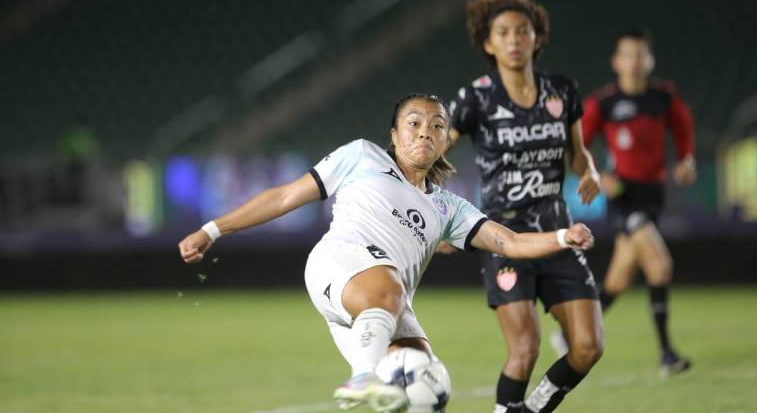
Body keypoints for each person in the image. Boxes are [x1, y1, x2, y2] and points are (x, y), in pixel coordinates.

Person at [178, 93, 596, 413]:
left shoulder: (447, 207)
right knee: (388, 291)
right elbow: (286, 195)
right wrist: (213, 229)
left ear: (444, 142)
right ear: (394, 135)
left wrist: (563, 238)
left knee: (423, 385)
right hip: (340, 265)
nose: (424, 133)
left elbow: (510, 242)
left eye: (436, 127)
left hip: (383, 305)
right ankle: (361, 378)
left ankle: (373, 376)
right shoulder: (362, 156)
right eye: (413, 123)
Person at [446, 0, 603, 413]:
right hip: (503, 235)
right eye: (503, 33)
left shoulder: (562, 91)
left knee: (587, 347)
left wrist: (588, 170)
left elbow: (577, 153)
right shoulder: (474, 98)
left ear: (537, 38)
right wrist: (435, 212)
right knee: (525, 350)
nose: (514, 39)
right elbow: (431, 156)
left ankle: (531, 411)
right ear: (487, 43)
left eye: (522, 31)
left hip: (558, 231)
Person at [579, 28, 695, 377]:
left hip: (654, 194)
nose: (635, 61)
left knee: (618, 278)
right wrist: (598, 173)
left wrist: (687, 159)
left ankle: (573, 333)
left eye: (641, 54)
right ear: (617, 62)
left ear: (650, 60)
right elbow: (577, 143)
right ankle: (666, 354)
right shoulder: (604, 103)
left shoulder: (663, 97)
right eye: (628, 55)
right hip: (623, 197)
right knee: (660, 266)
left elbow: (683, 128)